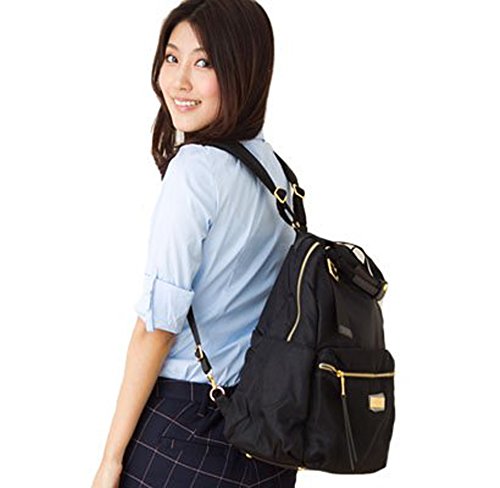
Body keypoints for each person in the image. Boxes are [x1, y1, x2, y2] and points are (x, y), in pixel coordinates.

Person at [92, 0, 298, 486]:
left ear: (243, 70)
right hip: (265, 437)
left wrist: (110, 460)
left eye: (203, 63)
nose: (179, 81)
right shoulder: (275, 171)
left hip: (185, 428)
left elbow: (156, 328)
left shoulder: (195, 170)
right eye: (172, 57)